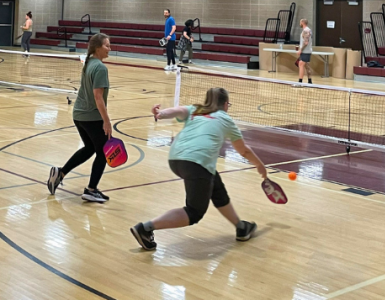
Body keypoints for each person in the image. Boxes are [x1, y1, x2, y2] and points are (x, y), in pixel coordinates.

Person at [129, 87, 265, 251]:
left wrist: (160, 113)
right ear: (225, 104)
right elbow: (244, 150)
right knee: (194, 212)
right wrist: (260, 165)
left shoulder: (196, 110)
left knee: (216, 186)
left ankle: (241, 227)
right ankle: (145, 228)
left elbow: (177, 111)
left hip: (175, 157)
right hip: (196, 162)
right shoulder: (225, 119)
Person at [48, 33, 113, 203]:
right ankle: (91, 190)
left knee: (90, 148)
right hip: (91, 117)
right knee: (103, 153)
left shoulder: (89, 62)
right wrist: (107, 121)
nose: (110, 49)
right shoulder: (100, 68)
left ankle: (60, 173)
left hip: (79, 115)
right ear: (98, 48)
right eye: (107, 46)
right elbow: (98, 98)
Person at [296, 18, 312, 84]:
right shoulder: (308, 30)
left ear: (302, 22)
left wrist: (300, 50)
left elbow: (306, 42)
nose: (300, 24)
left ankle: (300, 82)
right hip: (306, 51)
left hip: (305, 51)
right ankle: (310, 81)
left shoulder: (306, 31)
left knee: (301, 64)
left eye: (300, 22)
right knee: (307, 66)